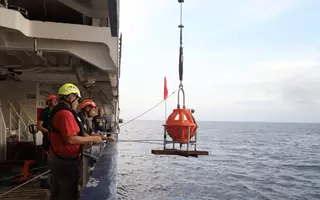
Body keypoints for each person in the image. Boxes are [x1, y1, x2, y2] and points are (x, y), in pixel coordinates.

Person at [47, 83, 102, 200]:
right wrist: (92, 138)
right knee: (69, 194)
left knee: (57, 192)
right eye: (77, 100)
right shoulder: (65, 113)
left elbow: (77, 133)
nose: (77, 103)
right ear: (71, 97)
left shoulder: (60, 111)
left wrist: (89, 137)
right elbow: (71, 139)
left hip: (58, 159)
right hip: (64, 162)